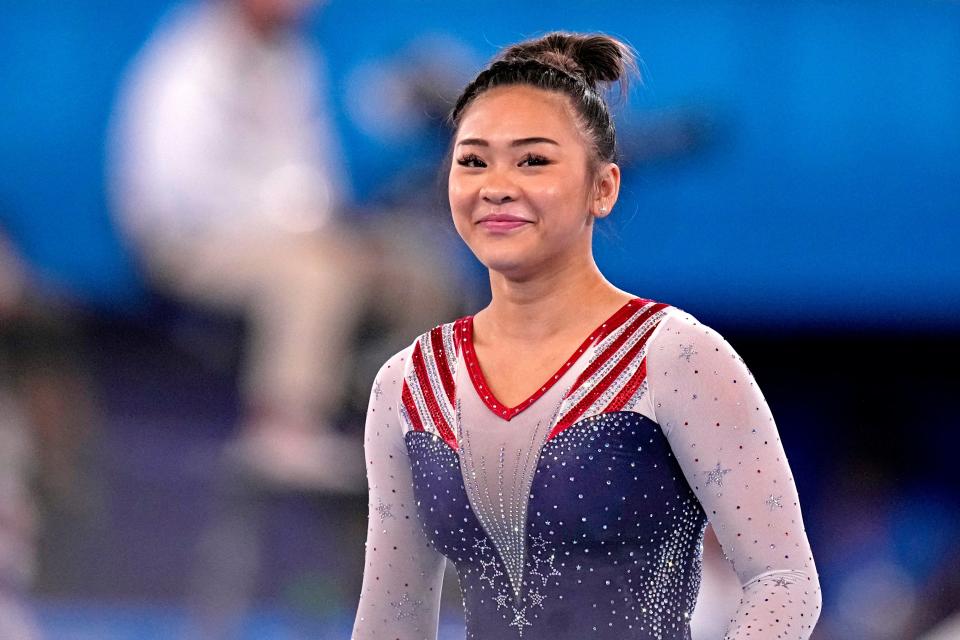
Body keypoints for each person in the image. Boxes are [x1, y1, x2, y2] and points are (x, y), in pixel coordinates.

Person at [352, 32, 821, 640]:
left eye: (533, 160)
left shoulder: (675, 357)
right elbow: (391, 619)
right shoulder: (408, 382)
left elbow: (783, 579)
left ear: (603, 187)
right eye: (473, 160)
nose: (496, 185)